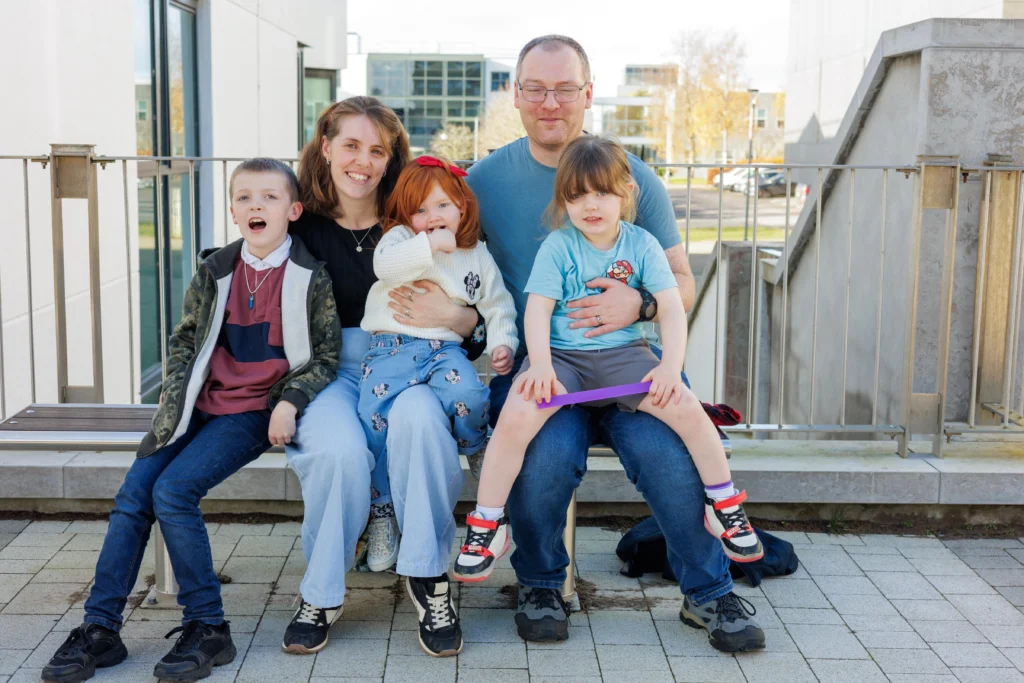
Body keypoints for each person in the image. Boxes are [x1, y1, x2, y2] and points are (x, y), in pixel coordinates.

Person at [463, 35, 766, 653]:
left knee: (668, 456)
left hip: (629, 360)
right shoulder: (484, 182)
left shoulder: (631, 178)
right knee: (542, 460)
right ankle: (543, 583)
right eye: (537, 88)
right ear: (516, 95)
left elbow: (680, 280)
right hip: (551, 362)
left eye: (565, 88)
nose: (552, 102)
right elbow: (456, 271)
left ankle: (709, 592)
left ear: (588, 94)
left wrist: (640, 303)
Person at [41, 158, 341, 683]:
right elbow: (184, 341)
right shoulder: (216, 269)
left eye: (269, 198)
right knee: (134, 494)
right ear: (232, 209)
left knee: (174, 491)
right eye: (244, 197)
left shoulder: (310, 275)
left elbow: (325, 356)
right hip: (195, 407)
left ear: (293, 211)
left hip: (253, 411)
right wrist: (173, 402)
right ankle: (100, 629)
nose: (256, 206)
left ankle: (208, 627)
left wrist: (291, 399)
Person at [284, 96, 485, 657]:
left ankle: (427, 575)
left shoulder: (415, 222)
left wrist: (461, 320)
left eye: (377, 150)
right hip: (327, 372)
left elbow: (477, 301)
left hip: (408, 363)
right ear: (325, 147)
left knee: (421, 423)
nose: (363, 161)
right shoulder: (300, 224)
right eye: (350, 145)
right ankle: (321, 592)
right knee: (339, 454)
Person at [358, 155, 518, 566]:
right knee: (373, 426)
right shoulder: (398, 240)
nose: (432, 217)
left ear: (462, 206)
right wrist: (427, 245)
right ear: (405, 215)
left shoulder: (476, 254)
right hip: (390, 349)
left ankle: (476, 444)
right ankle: (382, 511)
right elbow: (384, 267)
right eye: (420, 210)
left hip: (444, 351)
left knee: (471, 393)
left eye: (442, 205)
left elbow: (497, 304)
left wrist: (503, 343)